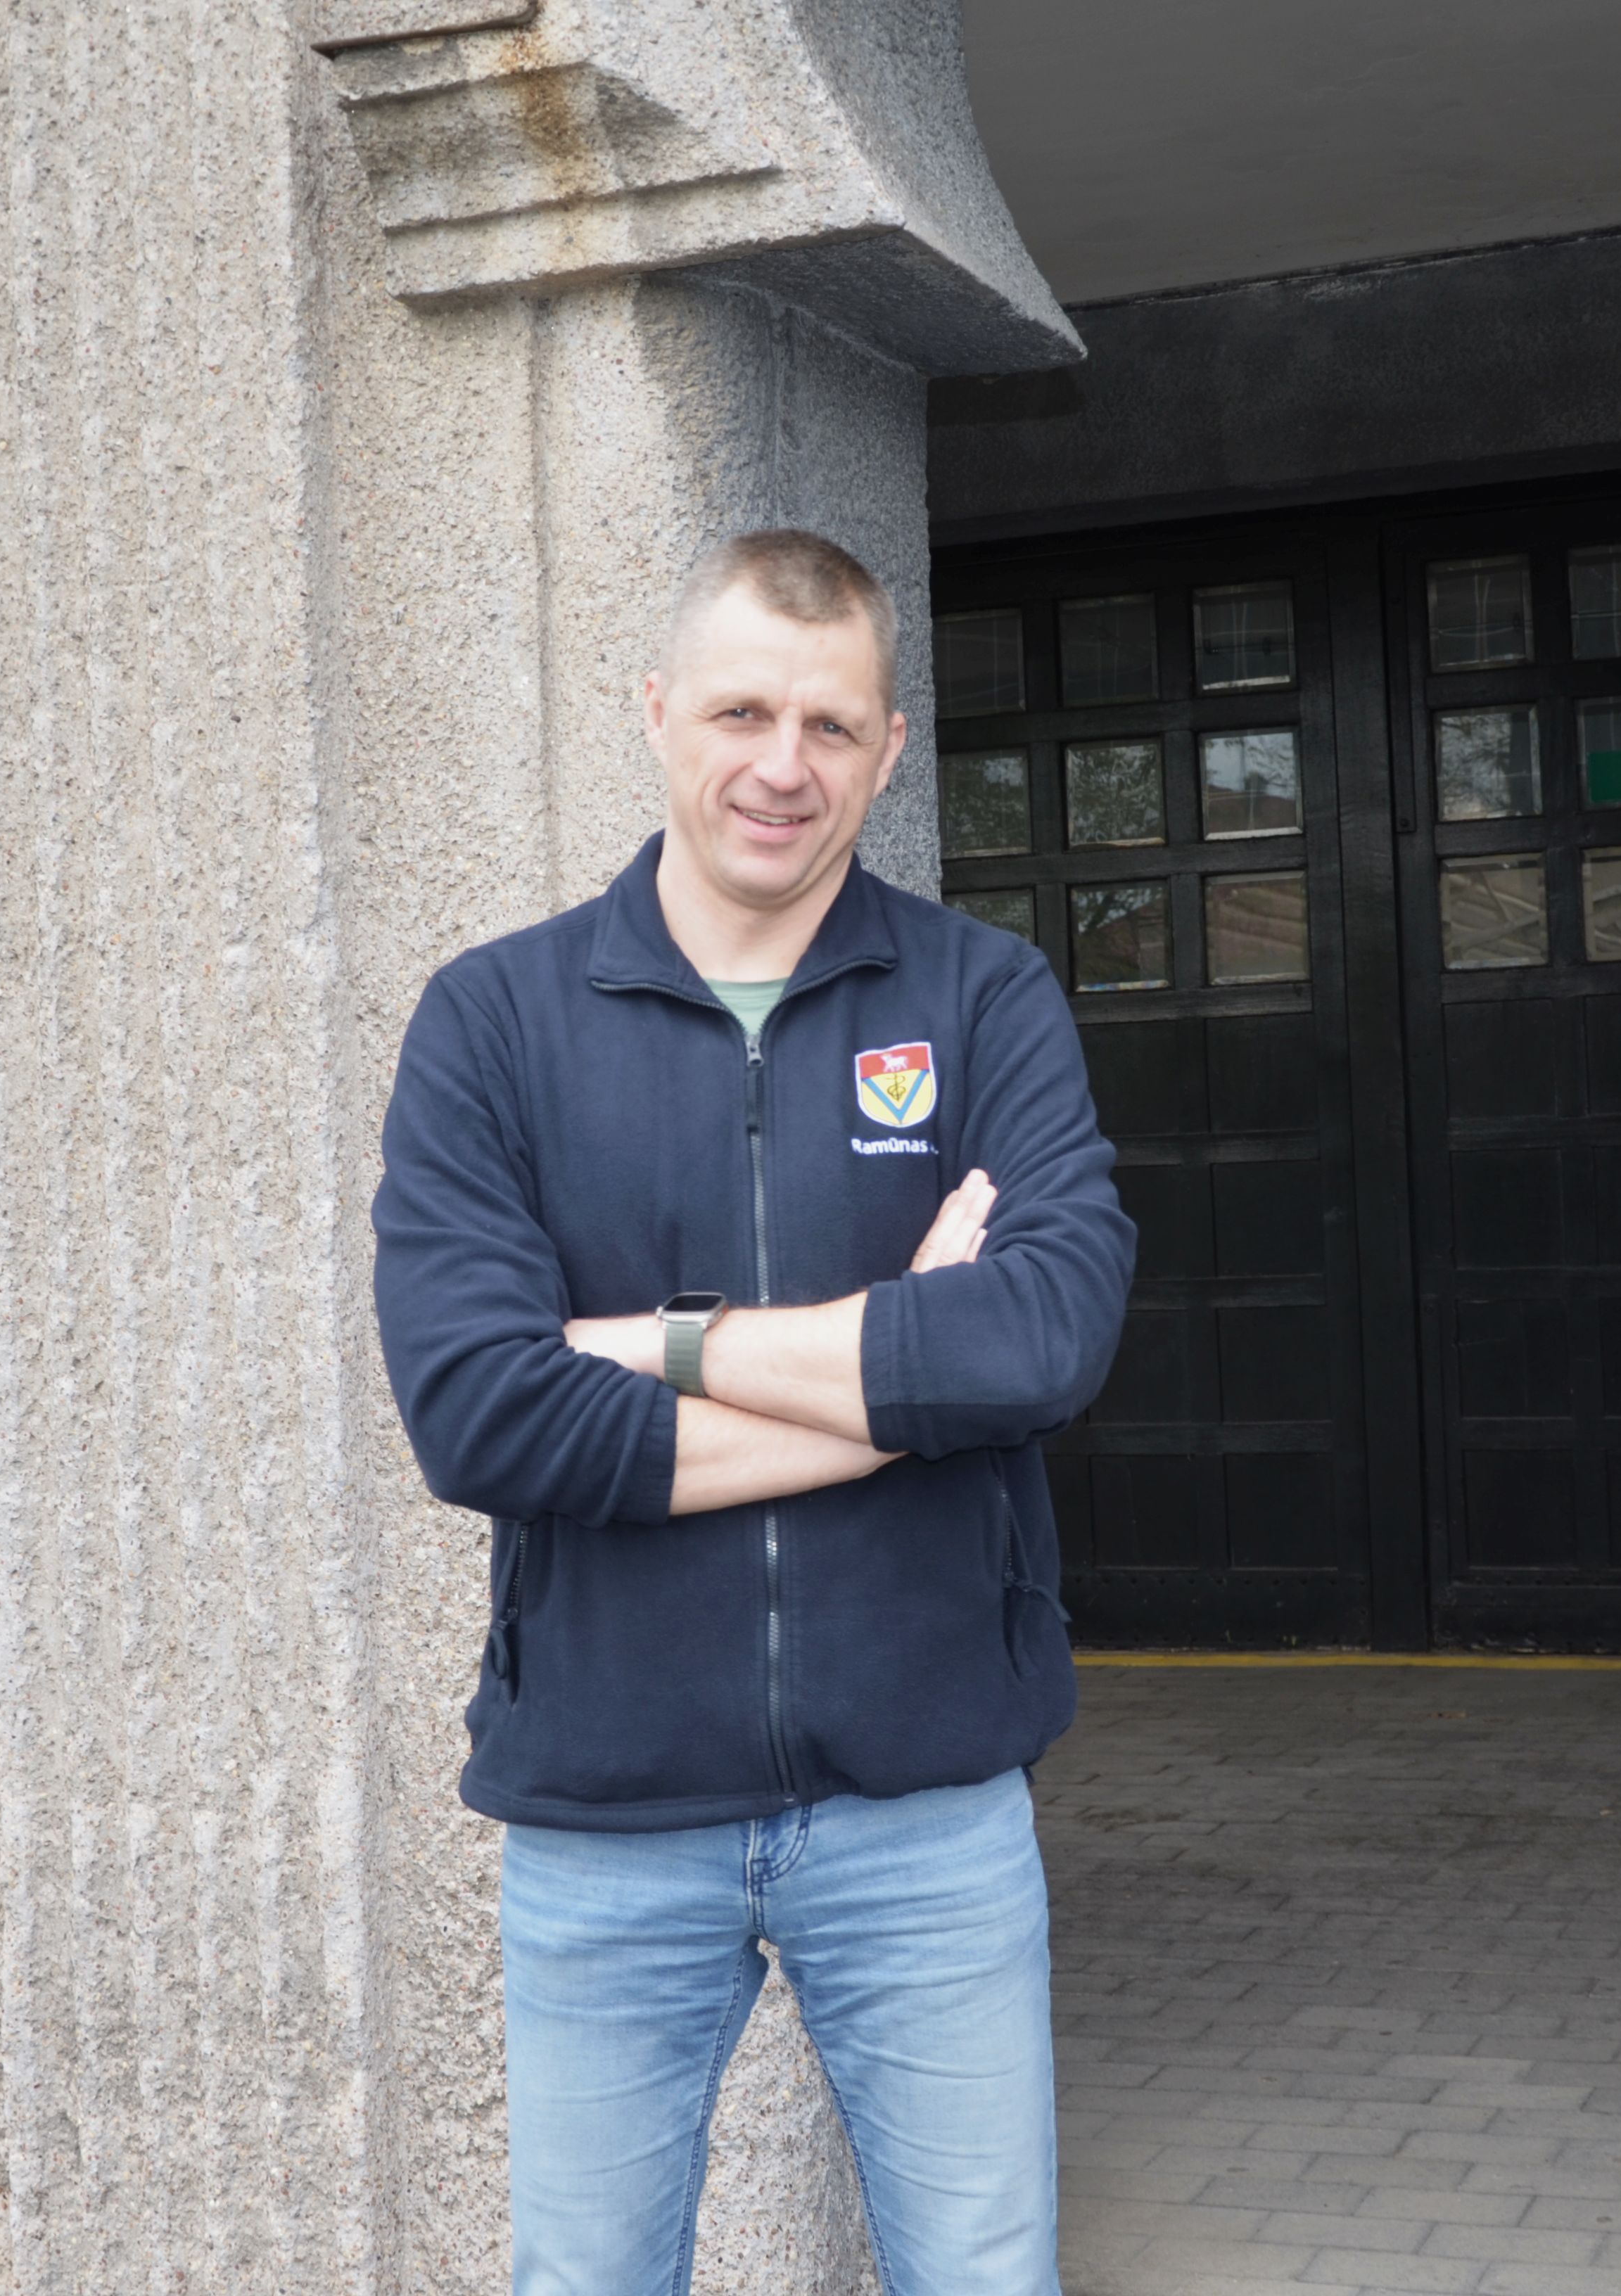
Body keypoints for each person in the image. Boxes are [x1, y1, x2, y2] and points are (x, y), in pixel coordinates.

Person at [372, 527, 1136, 2295]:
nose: (780, 766)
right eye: (738, 712)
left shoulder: (982, 999)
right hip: (607, 1812)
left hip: (928, 1807)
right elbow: (483, 1416)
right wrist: (906, 1377)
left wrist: (658, 1345)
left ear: (887, 748)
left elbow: (1041, 1343)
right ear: (656, 713)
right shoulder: (493, 1022)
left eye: (827, 724)